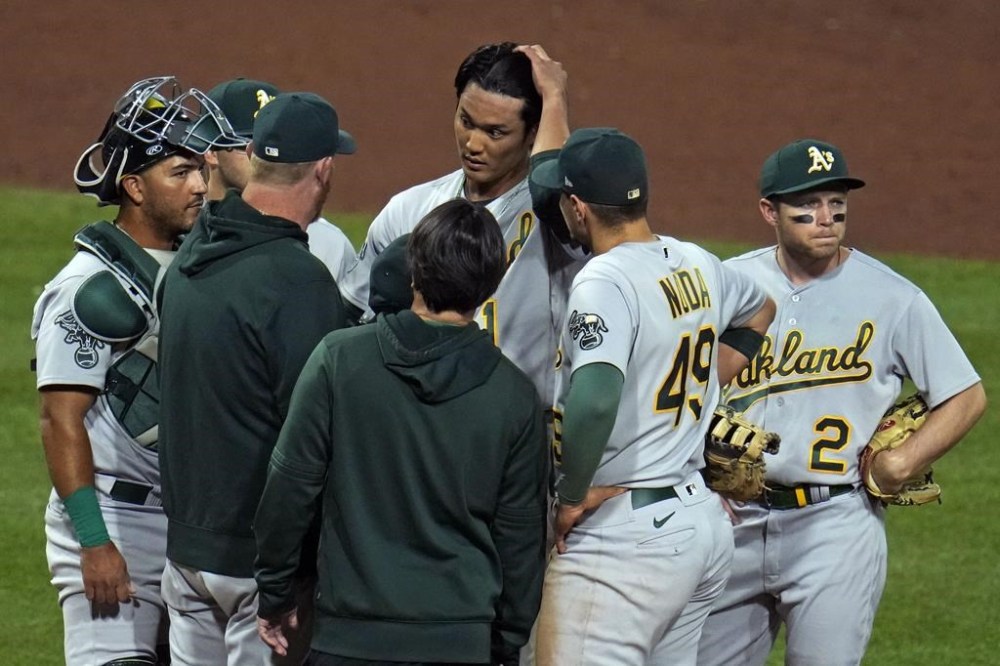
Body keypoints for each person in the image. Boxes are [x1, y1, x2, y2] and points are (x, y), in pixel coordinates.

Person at [697, 139, 987, 666]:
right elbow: (680, 390)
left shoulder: (892, 297)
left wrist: (905, 459)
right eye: (806, 206)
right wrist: (693, 472)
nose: (825, 218)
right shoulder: (728, 284)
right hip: (731, 521)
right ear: (770, 211)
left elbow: (965, 394)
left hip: (833, 524)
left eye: (836, 204)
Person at [253, 198, 548, 665]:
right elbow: (521, 537)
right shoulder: (514, 394)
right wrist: (505, 640)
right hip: (459, 642)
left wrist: (275, 591)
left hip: (349, 641)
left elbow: (290, 486)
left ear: (414, 271)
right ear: (491, 285)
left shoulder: (339, 360)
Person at [528, 128, 776, 665]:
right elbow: (761, 311)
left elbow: (594, 399)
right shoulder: (697, 262)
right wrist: (708, 381)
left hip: (626, 539)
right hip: (698, 525)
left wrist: (568, 497)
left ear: (577, 206)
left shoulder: (604, 280)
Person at [31, 76, 240, 665]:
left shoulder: (206, 264)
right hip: (116, 519)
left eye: (201, 169)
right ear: (134, 187)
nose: (200, 186)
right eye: (179, 172)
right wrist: (94, 544)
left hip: (193, 522)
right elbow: (58, 419)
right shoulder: (88, 291)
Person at [157, 91, 354, 665]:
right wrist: (285, 575)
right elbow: (309, 446)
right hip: (256, 568)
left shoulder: (194, 256)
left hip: (187, 556)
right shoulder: (298, 281)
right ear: (323, 169)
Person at [339, 41, 583, 406]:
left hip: (522, 427)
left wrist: (554, 99)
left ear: (533, 134)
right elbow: (353, 317)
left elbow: (557, 188)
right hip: (423, 420)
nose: (473, 143)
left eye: (495, 132)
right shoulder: (410, 209)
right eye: (466, 121)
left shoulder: (556, 221)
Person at [206, 77, 360, 288]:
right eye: (249, 144)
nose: (264, 156)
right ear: (211, 152)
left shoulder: (329, 244)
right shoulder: (178, 230)